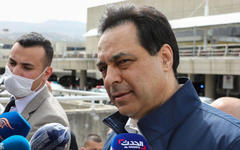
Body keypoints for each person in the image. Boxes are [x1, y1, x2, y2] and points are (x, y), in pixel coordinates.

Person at [96, 4, 240, 150]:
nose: (109, 79)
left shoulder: (229, 141)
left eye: (123, 62)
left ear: (165, 58)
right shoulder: (116, 138)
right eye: (103, 68)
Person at [3, 32, 70, 142]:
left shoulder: (51, 121)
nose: (15, 72)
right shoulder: (16, 100)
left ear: (47, 73)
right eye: (12, 63)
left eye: (27, 67)